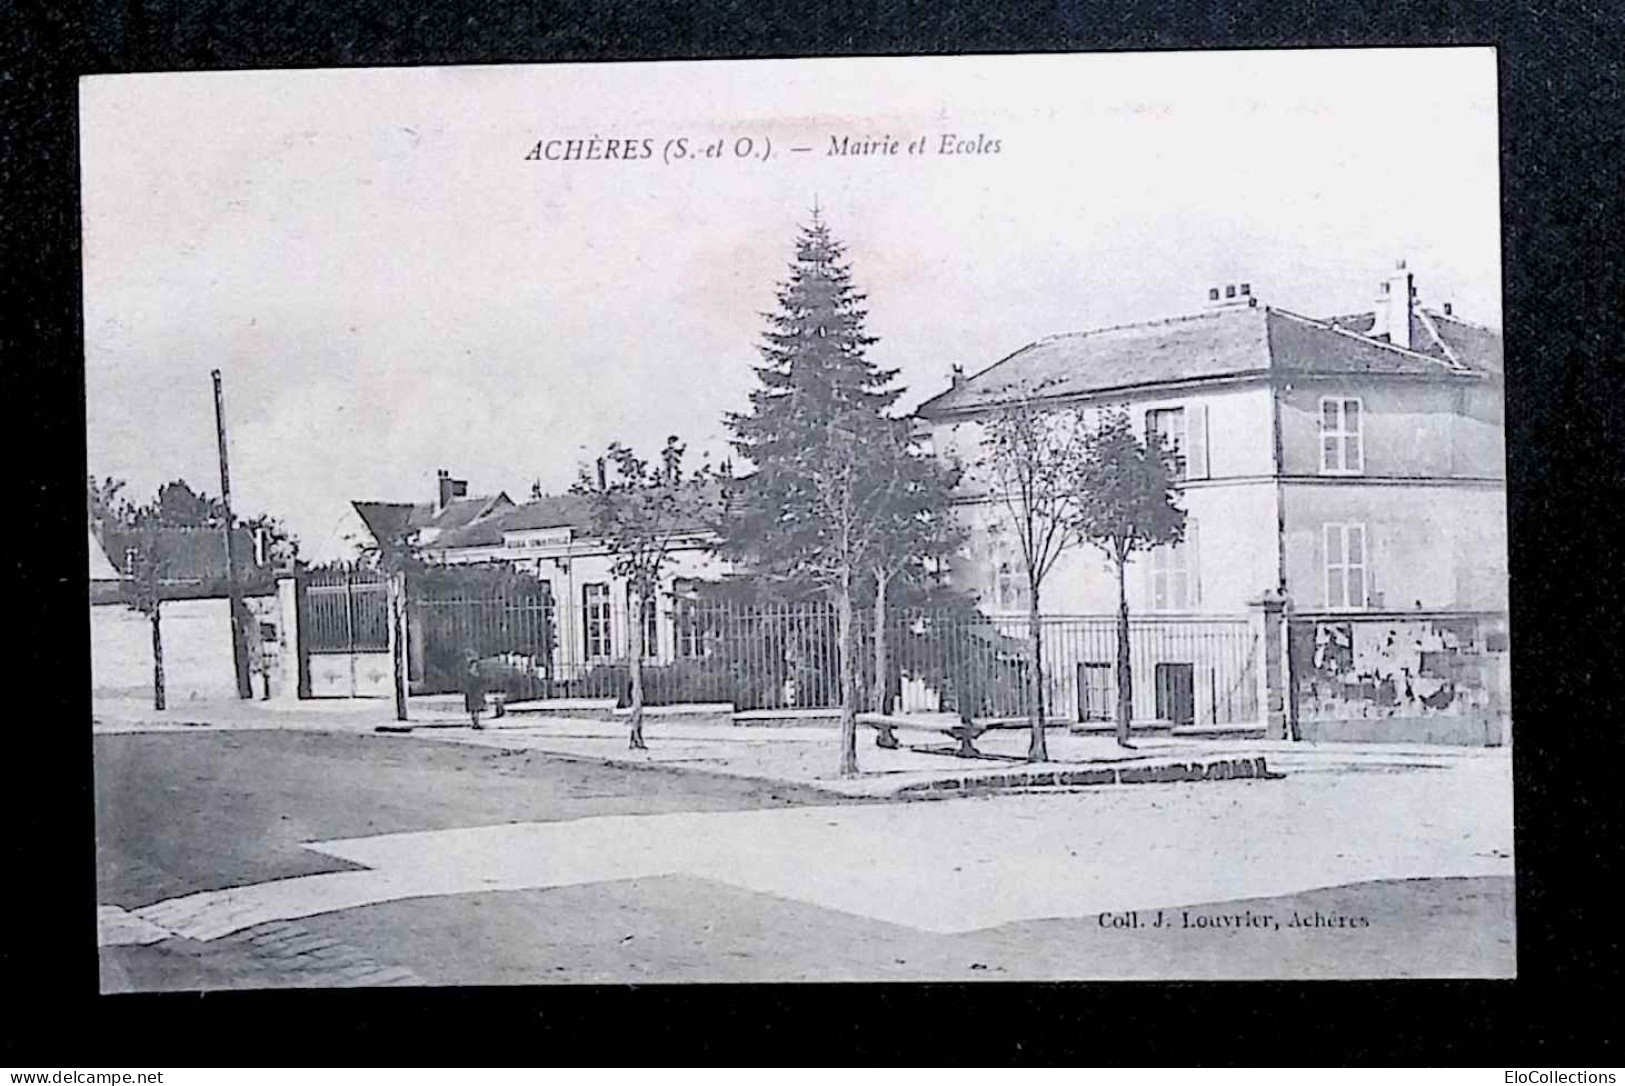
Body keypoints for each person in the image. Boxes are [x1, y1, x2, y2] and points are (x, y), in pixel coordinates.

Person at [464, 655, 487, 730]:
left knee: (475, 709)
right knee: (475, 709)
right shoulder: (473, 674)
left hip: (475, 692)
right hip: (474, 693)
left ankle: (475, 723)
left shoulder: (473, 673)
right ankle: (475, 723)